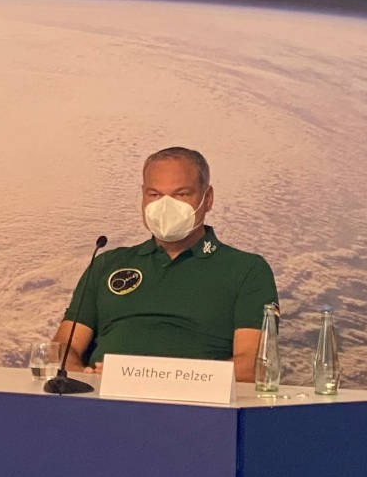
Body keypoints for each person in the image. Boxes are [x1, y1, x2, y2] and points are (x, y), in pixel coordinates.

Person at [54, 146, 277, 381]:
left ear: (207, 198)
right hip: (100, 403)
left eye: (181, 194)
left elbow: (252, 366)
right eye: (155, 195)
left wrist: (143, 378)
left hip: (196, 409)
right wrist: (80, 377)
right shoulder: (107, 263)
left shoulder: (247, 270)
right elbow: (62, 349)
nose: (166, 206)